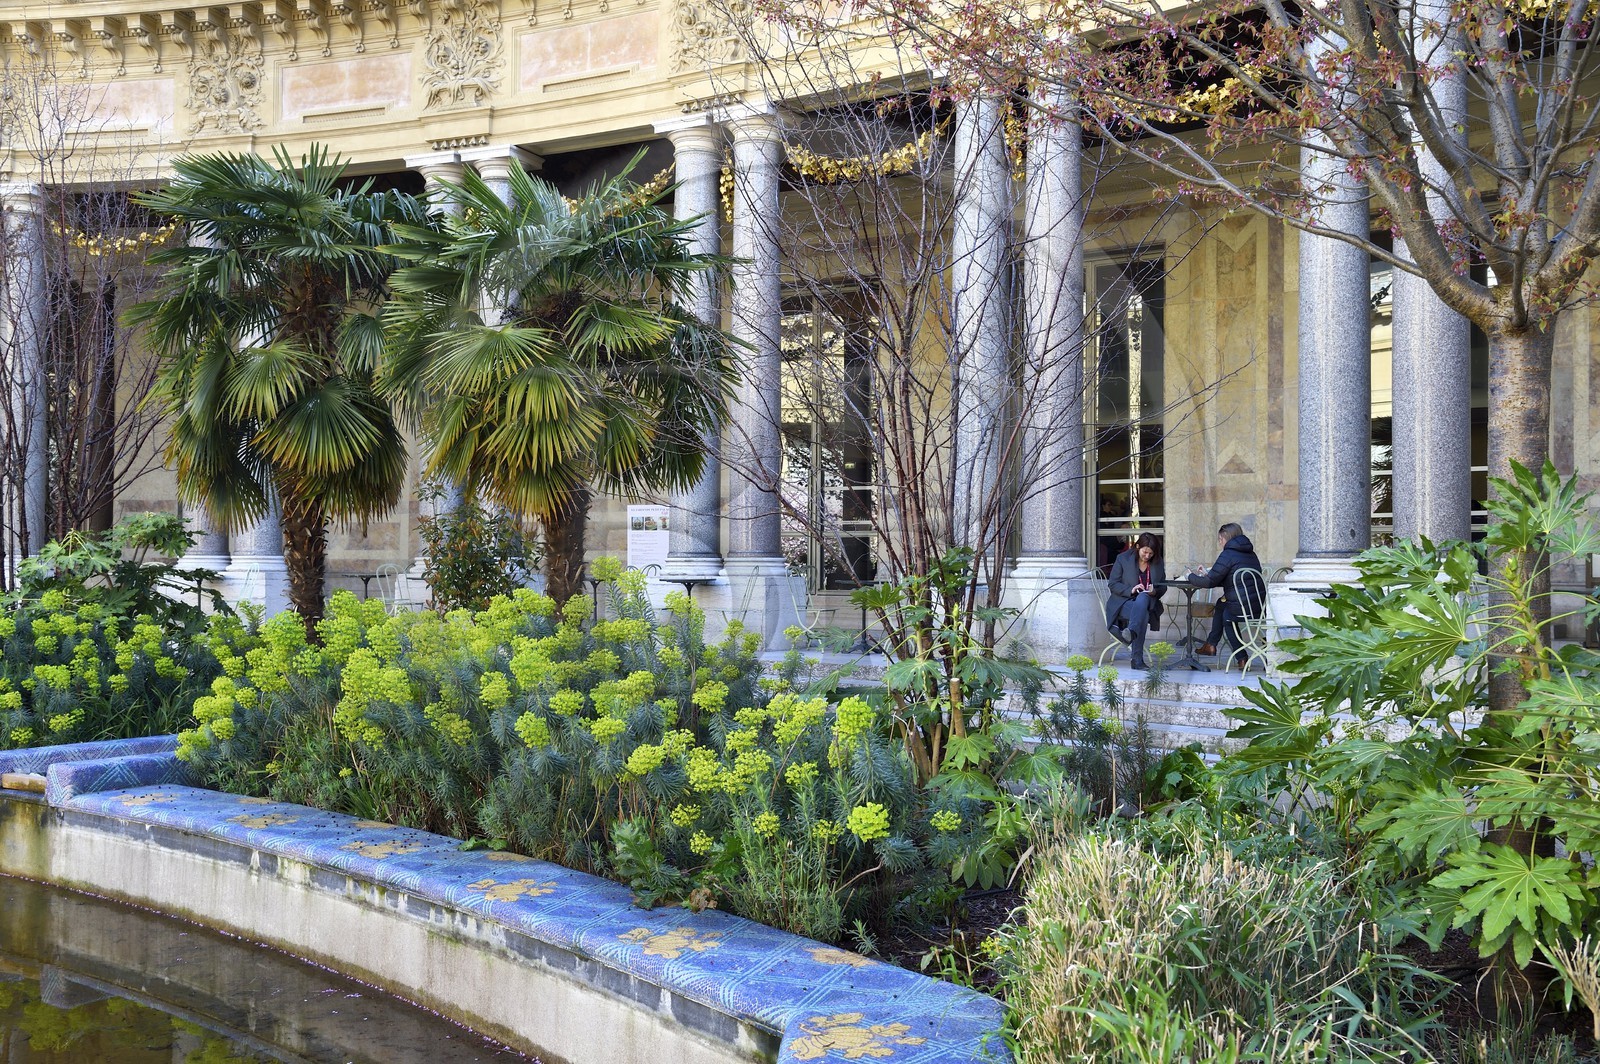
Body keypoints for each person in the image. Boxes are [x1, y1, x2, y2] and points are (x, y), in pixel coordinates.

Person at [1188, 522, 1264, 658]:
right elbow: (1232, 578)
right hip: (1257, 605)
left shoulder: (1228, 554)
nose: (1220, 543)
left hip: (1241, 606)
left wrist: (1189, 576)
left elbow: (1210, 582)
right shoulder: (1251, 554)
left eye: (1220, 540)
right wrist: (1208, 573)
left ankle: (1241, 657)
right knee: (1221, 604)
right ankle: (1211, 644)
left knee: (1227, 618)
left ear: (1225, 537)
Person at [1104, 532, 1167, 670]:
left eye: (1151, 553)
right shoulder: (1123, 558)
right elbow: (1113, 584)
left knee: (1143, 599)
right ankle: (1137, 660)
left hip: (1147, 603)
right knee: (1142, 613)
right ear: (1138, 546)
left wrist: (1154, 591)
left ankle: (1131, 632)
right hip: (1123, 603)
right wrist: (1131, 589)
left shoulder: (1158, 561)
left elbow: (1163, 587)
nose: (1147, 556)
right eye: (1145, 552)